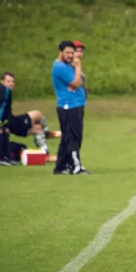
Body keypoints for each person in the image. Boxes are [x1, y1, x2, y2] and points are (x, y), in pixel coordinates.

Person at [0, 71, 60, 161]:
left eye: (12, 81)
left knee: (37, 129)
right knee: (37, 114)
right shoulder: (5, 91)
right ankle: (47, 134)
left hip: (8, 122)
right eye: (8, 81)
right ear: (2, 81)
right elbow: (1, 108)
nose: (11, 83)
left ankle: (45, 155)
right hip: (9, 122)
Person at [52, 40, 89, 175]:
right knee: (73, 137)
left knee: (68, 137)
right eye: (68, 52)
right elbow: (75, 83)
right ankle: (75, 166)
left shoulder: (66, 65)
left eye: (72, 53)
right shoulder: (59, 67)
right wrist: (78, 66)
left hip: (75, 104)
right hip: (69, 106)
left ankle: (61, 166)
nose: (70, 55)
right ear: (60, 51)